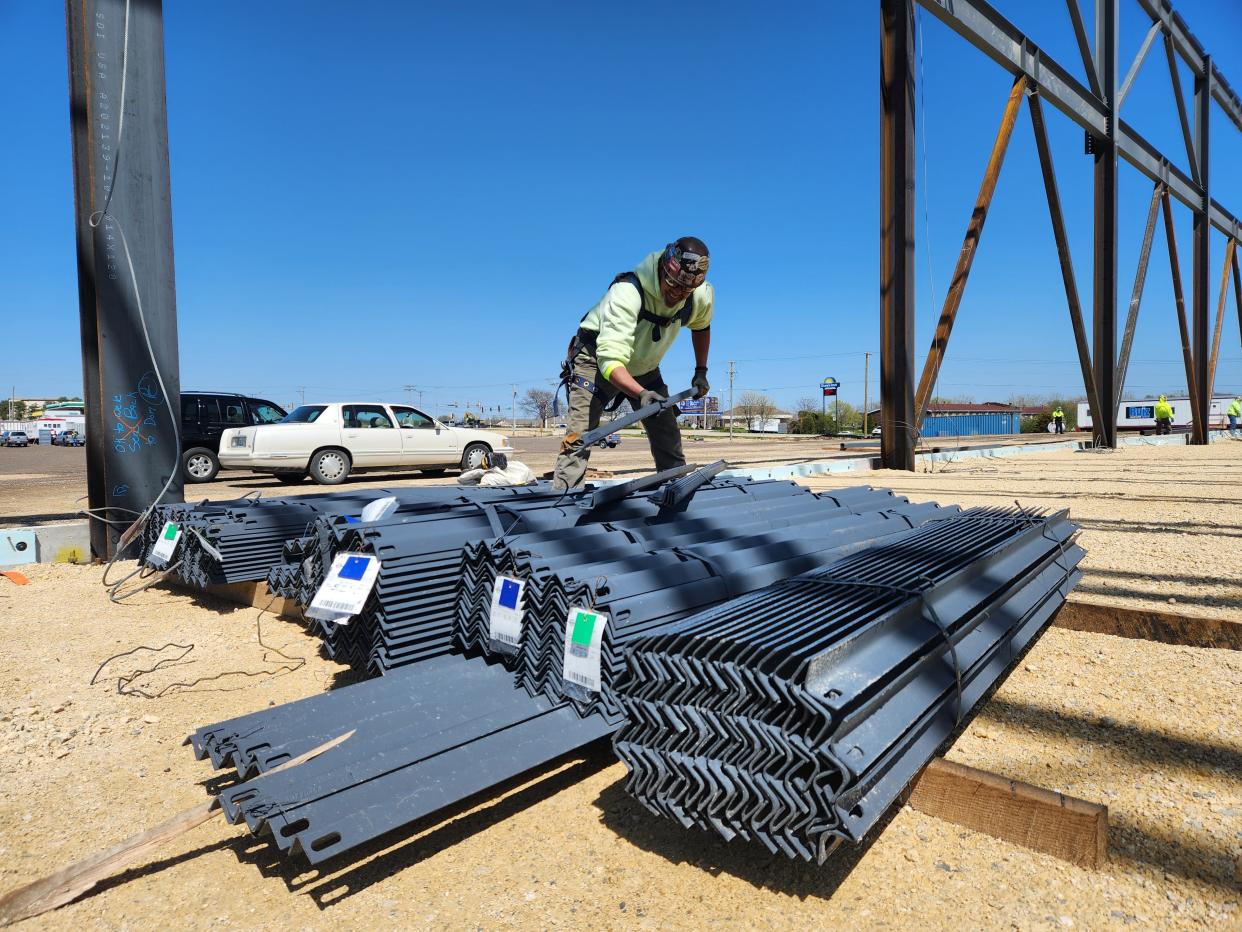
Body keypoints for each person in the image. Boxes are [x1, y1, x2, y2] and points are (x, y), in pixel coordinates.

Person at [551, 237, 714, 490]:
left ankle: (675, 493)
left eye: (685, 290)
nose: (676, 295)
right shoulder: (627, 292)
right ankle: (563, 500)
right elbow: (610, 360)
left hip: (645, 368)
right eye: (672, 284)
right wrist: (641, 394)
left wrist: (701, 371)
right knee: (579, 438)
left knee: (667, 433)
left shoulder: (698, 295)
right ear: (663, 268)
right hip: (597, 362)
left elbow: (702, 327)